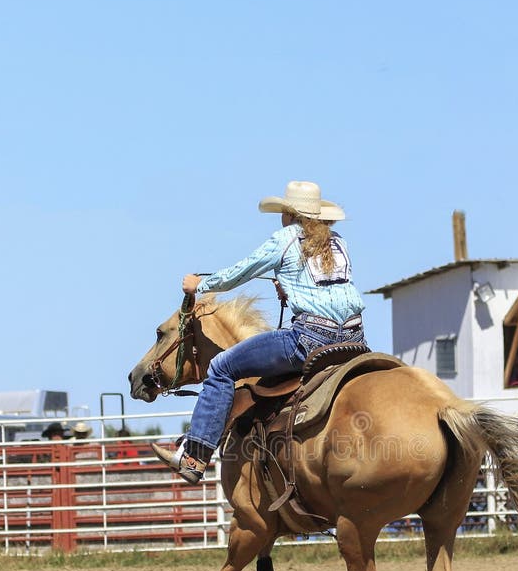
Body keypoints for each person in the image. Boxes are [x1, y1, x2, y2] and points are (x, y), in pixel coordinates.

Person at [153, 180, 367, 484]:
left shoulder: (286, 238)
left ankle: (194, 455)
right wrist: (290, 286)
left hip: (310, 339)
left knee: (221, 366)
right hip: (354, 340)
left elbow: (240, 272)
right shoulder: (337, 242)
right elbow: (328, 286)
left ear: (290, 215)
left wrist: (199, 285)